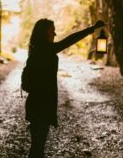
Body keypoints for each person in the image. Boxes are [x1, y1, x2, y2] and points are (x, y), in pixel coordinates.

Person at [25, 18, 106, 158]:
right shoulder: (45, 50)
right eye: (52, 31)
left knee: (37, 145)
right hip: (41, 105)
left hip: (36, 103)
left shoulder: (36, 49)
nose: (54, 34)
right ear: (44, 33)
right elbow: (69, 40)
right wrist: (91, 29)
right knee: (38, 147)